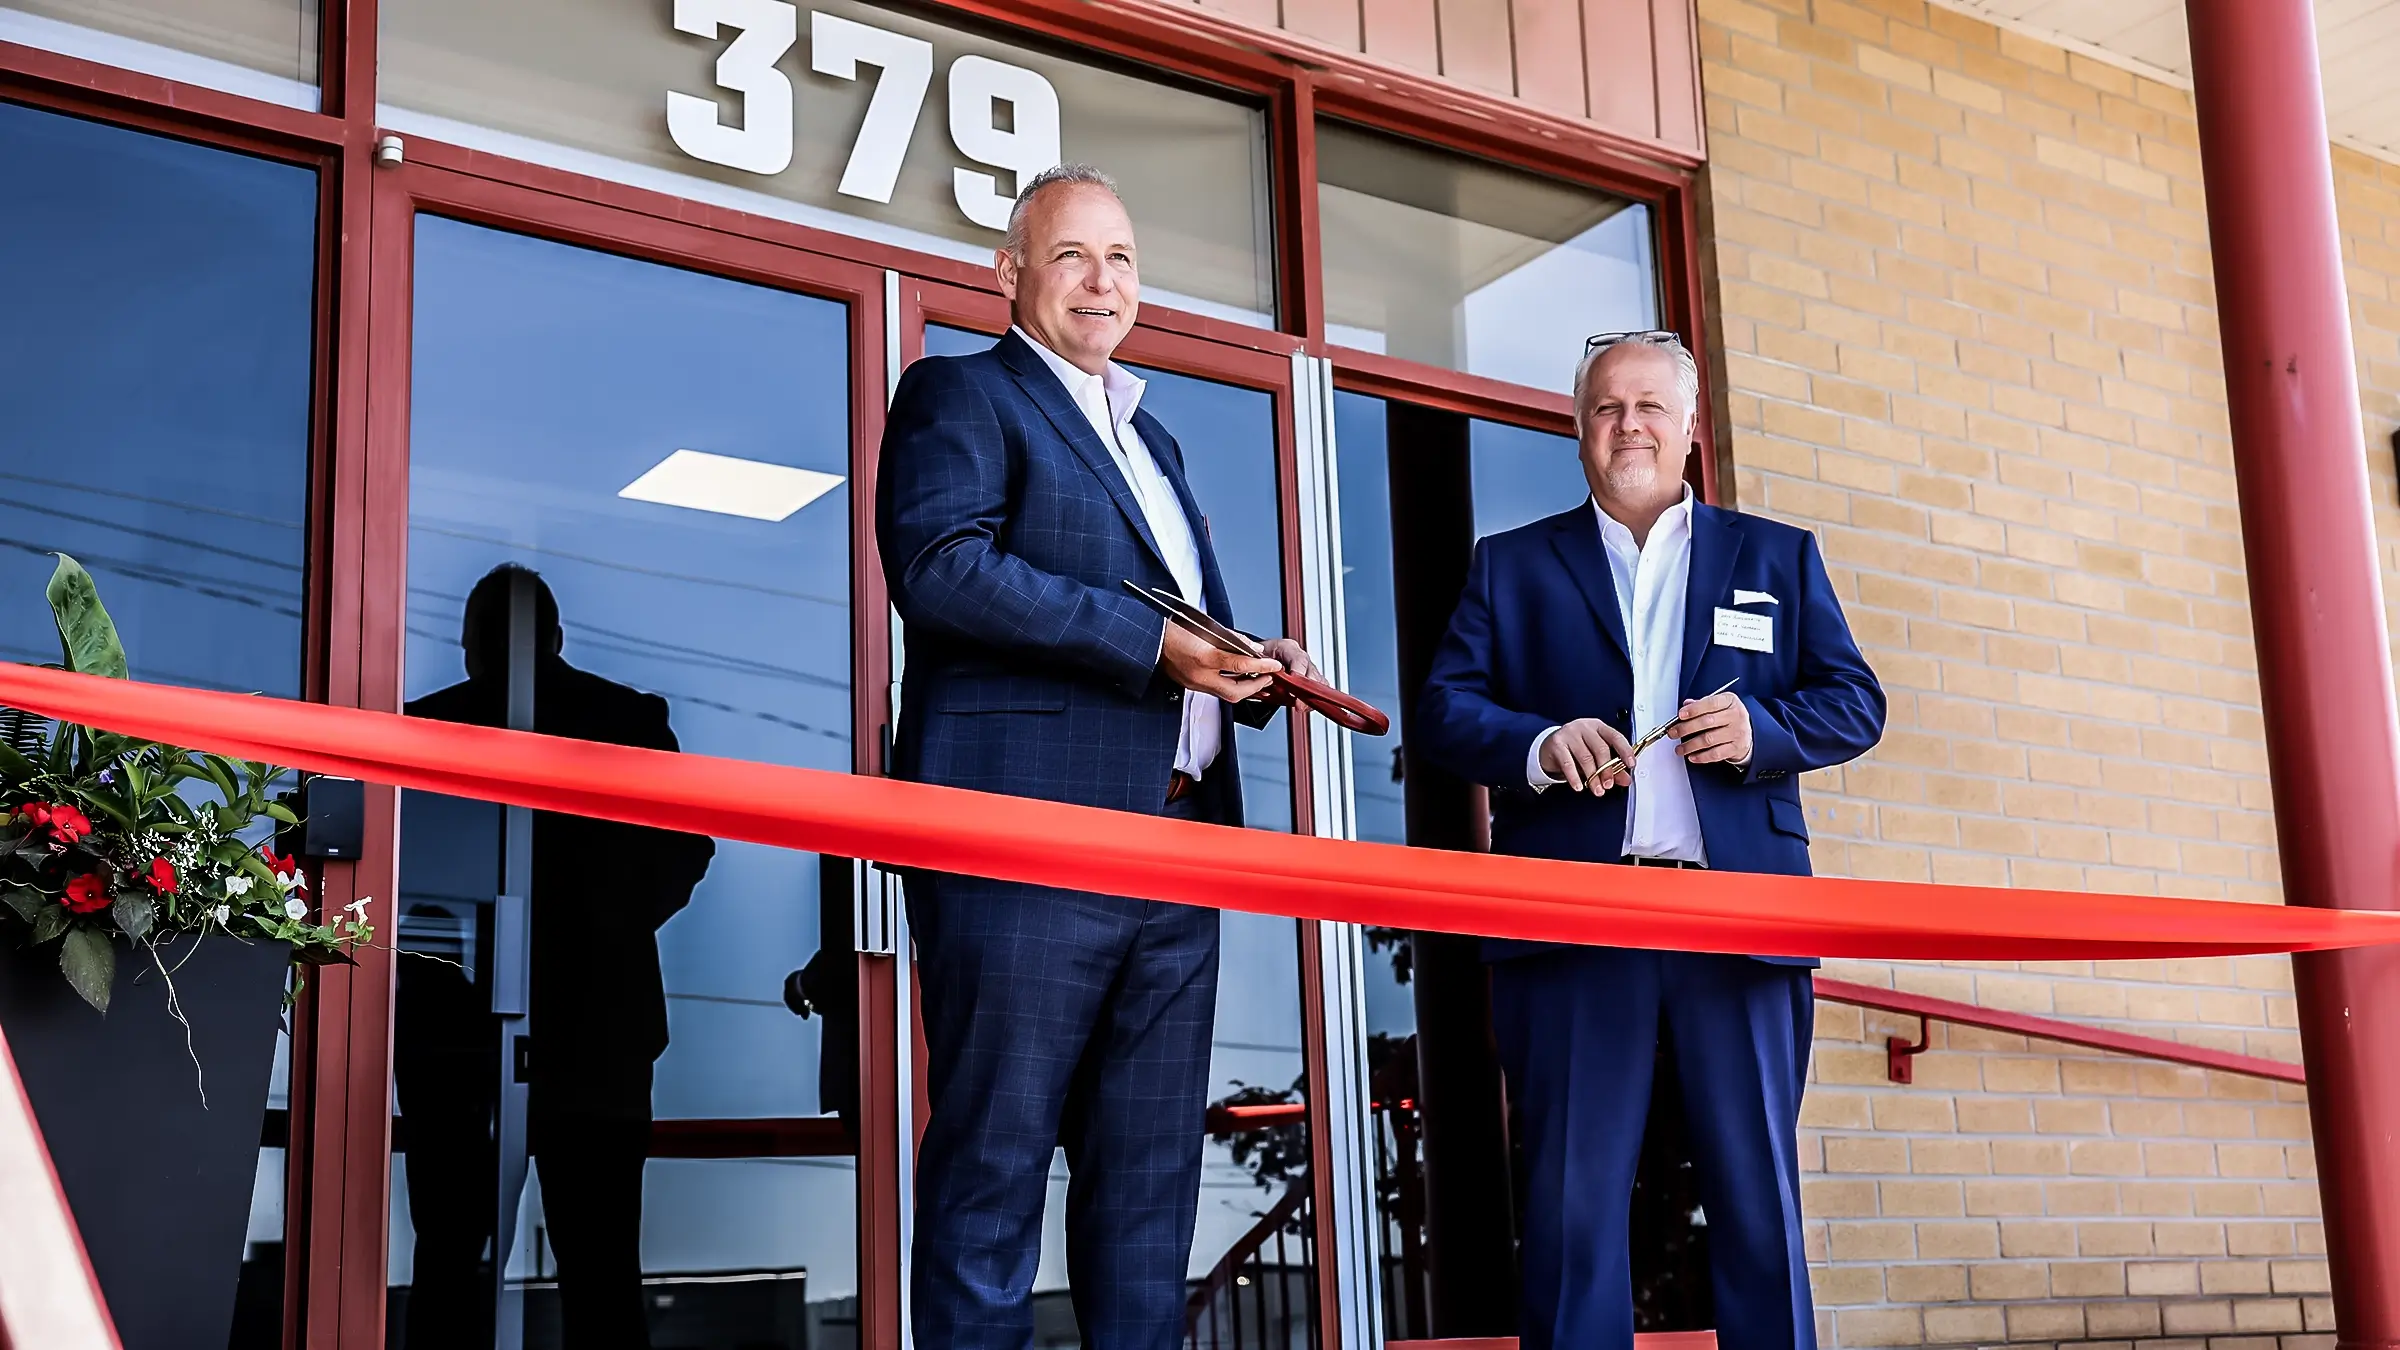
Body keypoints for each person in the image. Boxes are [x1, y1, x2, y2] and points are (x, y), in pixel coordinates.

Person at [876, 162, 1318, 1350]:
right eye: (1073, 256)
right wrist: (1154, 644)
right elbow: (940, 568)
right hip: (1027, 853)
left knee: (1148, 1194)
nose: (1101, 280)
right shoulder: (958, 395)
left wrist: (1240, 657)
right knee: (994, 1180)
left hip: (1173, 858)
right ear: (1010, 276)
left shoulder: (1153, 435)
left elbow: (1170, 624)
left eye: (1120, 258)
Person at [1414, 332, 1884, 1350]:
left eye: (1649, 408)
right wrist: (1537, 745)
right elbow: (1445, 715)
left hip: (1740, 920)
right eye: (1606, 409)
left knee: (1759, 1201)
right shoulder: (1511, 566)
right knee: (1572, 1214)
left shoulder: (1777, 554)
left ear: (1689, 429)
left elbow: (1856, 703)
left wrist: (1767, 733)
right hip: (1578, 922)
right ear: (1579, 432)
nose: (1628, 426)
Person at [398, 563, 715, 1350]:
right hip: (594, 1037)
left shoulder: (418, 733)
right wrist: (606, 932)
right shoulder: (627, 719)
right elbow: (685, 850)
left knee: (451, 1270)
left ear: (468, 645)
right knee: (601, 1272)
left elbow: (383, 880)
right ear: (557, 637)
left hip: (455, 1040)